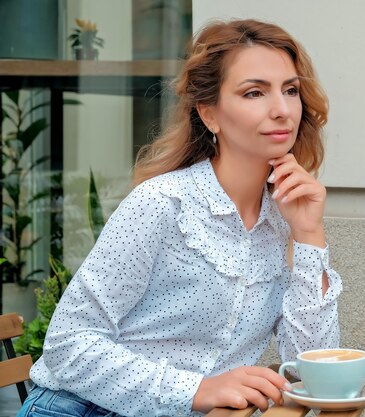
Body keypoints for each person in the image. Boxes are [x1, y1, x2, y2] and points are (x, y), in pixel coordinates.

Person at [17, 18, 342, 417]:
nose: (281, 110)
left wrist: (309, 234)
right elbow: (68, 344)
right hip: (82, 409)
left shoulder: (284, 216)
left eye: (290, 90)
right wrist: (197, 389)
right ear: (210, 114)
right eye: (254, 92)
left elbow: (311, 366)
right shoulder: (162, 204)